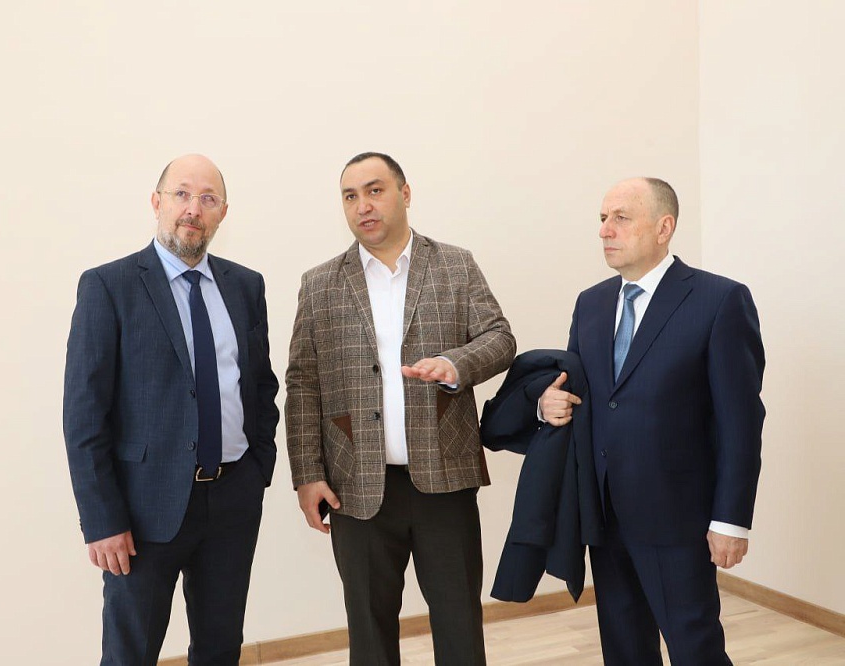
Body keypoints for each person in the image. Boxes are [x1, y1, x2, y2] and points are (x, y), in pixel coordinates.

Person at [285, 152, 516, 665]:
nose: (363, 206)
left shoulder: (455, 264)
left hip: (445, 479)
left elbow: (500, 338)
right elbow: (302, 382)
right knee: (369, 636)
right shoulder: (320, 284)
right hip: (356, 487)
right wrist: (307, 474)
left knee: (459, 627)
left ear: (404, 193)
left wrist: (454, 364)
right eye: (350, 196)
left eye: (375, 190)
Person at [63, 154, 279, 666]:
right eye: (181, 194)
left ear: (223, 212)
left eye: (207, 198)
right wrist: (101, 519)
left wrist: (257, 470)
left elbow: (260, 386)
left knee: (220, 649)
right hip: (142, 511)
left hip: (232, 501)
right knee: (130, 654)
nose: (193, 209)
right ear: (156, 202)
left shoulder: (246, 286)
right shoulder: (109, 286)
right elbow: (84, 415)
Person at [539, 177, 765, 665]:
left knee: (695, 649)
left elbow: (741, 422)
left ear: (664, 228)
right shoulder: (590, 303)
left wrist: (731, 520)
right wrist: (548, 404)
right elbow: (581, 391)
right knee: (624, 649)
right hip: (604, 514)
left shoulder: (719, 300)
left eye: (620, 218)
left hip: (679, 518)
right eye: (603, 218)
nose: (605, 230)